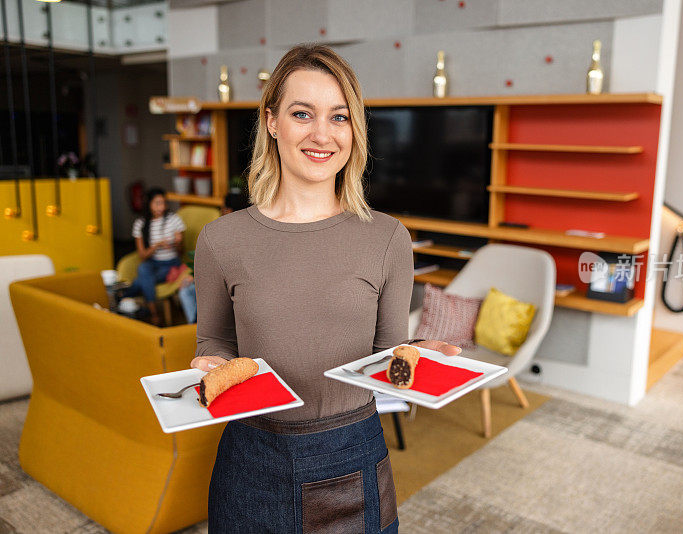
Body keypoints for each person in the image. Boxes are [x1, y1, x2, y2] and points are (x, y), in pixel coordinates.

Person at [190, 44, 461, 533]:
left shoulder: (388, 238)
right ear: (272, 122)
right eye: (302, 114)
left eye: (339, 117)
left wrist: (421, 355)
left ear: (354, 130)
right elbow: (214, 342)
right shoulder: (220, 240)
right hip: (250, 460)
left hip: (352, 456)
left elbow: (386, 354)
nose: (322, 135)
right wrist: (208, 365)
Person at [176, 192, 250, 324]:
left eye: (223, 209)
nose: (222, 212)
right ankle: (196, 326)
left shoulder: (226, 234)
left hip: (229, 286)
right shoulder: (243, 230)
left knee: (189, 292)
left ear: (228, 210)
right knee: (187, 291)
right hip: (228, 284)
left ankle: (198, 327)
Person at [121, 187, 186, 326]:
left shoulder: (174, 220)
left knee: (143, 278)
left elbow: (181, 251)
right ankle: (154, 312)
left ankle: (124, 298)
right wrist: (156, 246)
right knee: (144, 268)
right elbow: (142, 255)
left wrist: (178, 243)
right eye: (157, 203)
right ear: (149, 204)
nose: (161, 207)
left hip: (171, 263)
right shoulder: (140, 224)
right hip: (152, 262)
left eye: (163, 203)